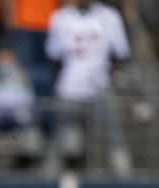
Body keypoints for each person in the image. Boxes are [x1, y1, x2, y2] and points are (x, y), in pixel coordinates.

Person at [44, 0, 131, 173]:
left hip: (100, 87)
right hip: (69, 89)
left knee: (113, 139)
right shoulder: (61, 17)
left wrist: (103, 74)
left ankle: (125, 177)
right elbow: (53, 55)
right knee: (66, 143)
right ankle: (51, 182)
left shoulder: (109, 16)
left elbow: (120, 53)